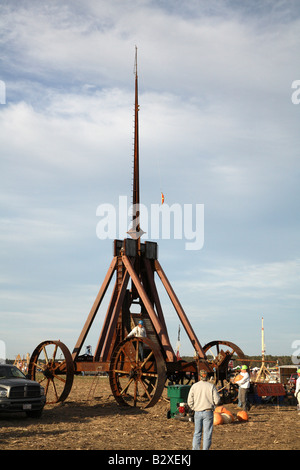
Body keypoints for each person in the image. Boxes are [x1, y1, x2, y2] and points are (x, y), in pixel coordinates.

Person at [187, 369, 221, 450]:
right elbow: (217, 400)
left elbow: (189, 401)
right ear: (207, 377)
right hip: (208, 412)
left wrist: (193, 408)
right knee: (207, 433)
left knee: (197, 433)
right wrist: (214, 404)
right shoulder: (211, 386)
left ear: (200, 376)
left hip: (197, 412)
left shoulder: (194, 386)